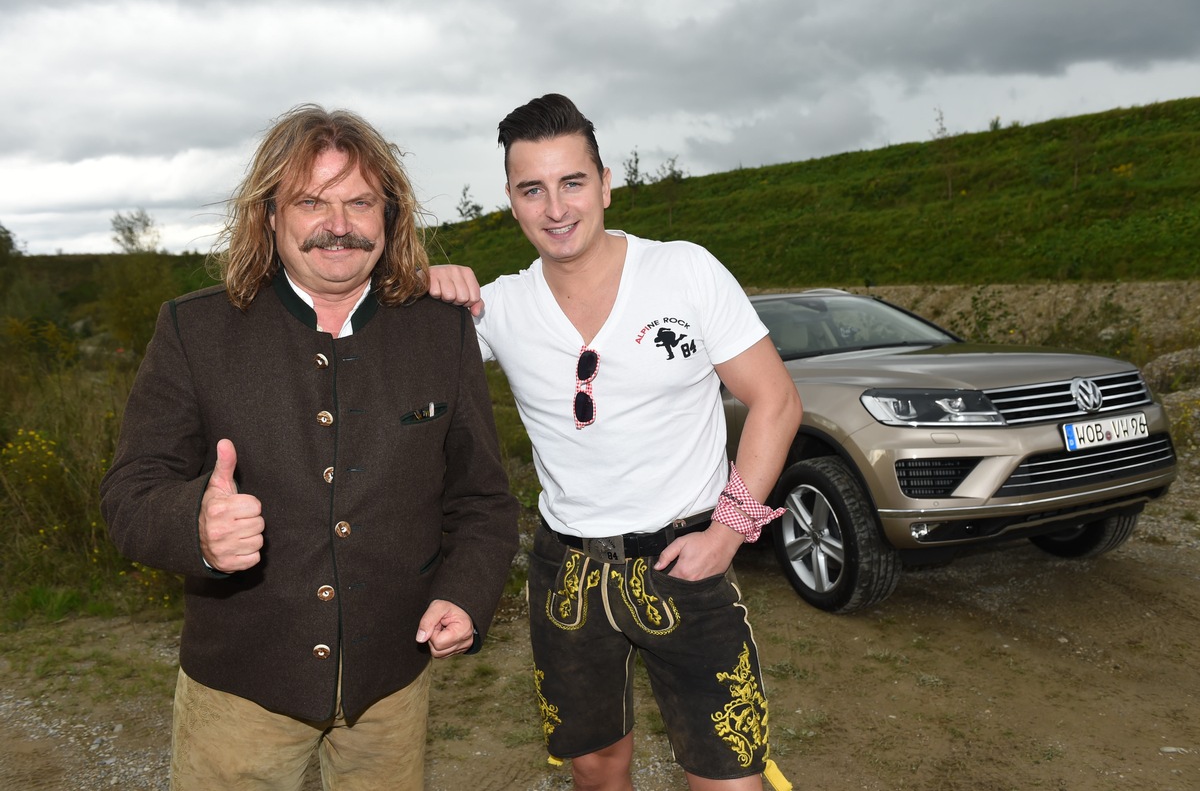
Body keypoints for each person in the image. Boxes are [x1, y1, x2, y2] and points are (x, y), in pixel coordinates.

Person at [100, 104, 520, 790]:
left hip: (390, 689)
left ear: (389, 217)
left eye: (361, 201)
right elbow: (129, 492)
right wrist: (195, 527)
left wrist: (466, 595)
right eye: (311, 200)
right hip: (239, 690)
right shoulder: (194, 330)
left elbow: (482, 499)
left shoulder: (440, 332)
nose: (340, 224)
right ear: (270, 215)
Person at [429, 93, 802, 791]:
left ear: (605, 182)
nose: (556, 208)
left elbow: (776, 399)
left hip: (686, 559)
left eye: (572, 182)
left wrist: (729, 528)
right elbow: (386, 335)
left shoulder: (684, 271)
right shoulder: (498, 308)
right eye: (532, 189)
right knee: (598, 769)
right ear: (511, 201)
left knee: (729, 775)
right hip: (566, 573)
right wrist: (421, 283)